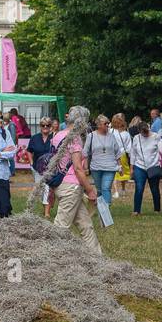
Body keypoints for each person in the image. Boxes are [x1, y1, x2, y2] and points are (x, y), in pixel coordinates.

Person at [51, 106, 101, 250]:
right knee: (60, 228)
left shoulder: (58, 135)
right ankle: (50, 258)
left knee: (86, 225)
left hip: (61, 184)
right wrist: (90, 190)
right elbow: (79, 168)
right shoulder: (75, 138)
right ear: (82, 121)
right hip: (71, 187)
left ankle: (97, 258)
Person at [128, 116, 162, 215]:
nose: (146, 134)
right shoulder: (136, 138)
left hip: (153, 166)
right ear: (139, 132)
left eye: (146, 132)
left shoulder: (155, 136)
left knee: (154, 189)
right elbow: (133, 153)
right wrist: (131, 168)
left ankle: (157, 210)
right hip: (140, 166)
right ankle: (136, 210)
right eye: (143, 133)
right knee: (139, 188)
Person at [84, 114, 120, 207]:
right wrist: (85, 167)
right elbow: (85, 153)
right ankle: (101, 209)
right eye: (105, 123)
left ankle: (106, 210)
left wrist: (120, 166)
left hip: (110, 167)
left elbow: (117, 152)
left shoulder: (111, 136)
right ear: (99, 125)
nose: (108, 125)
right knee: (99, 189)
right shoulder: (91, 136)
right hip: (96, 167)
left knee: (106, 188)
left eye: (108, 123)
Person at [111, 112, 133, 201]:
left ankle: (116, 191)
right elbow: (129, 147)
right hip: (123, 154)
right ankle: (123, 189)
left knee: (114, 173)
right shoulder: (126, 134)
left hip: (112, 154)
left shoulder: (111, 132)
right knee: (122, 172)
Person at [27, 117, 55, 184]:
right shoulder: (34, 138)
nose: (45, 127)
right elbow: (29, 151)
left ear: (50, 126)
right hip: (37, 169)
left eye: (47, 125)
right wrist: (31, 163)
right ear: (40, 126)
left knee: (50, 190)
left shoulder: (54, 137)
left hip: (51, 169)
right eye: (43, 125)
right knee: (39, 190)